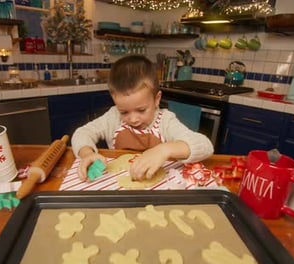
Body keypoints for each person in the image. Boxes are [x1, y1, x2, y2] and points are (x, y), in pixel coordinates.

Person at [72, 55, 214, 182]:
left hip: (159, 186)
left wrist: (164, 150)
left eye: (141, 110)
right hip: (117, 185)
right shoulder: (113, 117)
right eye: (124, 112)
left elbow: (205, 145)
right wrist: (87, 154)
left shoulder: (166, 121)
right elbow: (82, 133)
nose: (133, 119)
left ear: (156, 99)